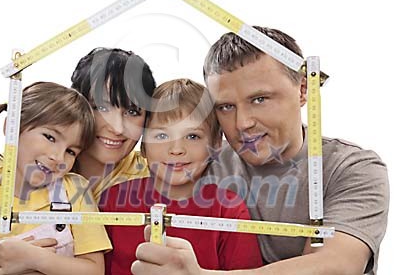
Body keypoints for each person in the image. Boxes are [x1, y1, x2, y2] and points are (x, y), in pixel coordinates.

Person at [131, 28, 389, 275]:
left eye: (259, 99)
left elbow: (336, 266)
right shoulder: (196, 160)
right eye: (226, 107)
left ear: (302, 90)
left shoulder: (351, 168)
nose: (243, 123)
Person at [0, 47, 157, 274]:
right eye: (101, 107)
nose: (117, 127)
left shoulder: (156, 176)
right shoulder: (3, 180)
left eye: (133, 112)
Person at [0, 82, 112, 274]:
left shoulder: (75, 191)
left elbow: (94, 271)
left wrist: (35, 259)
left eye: (71, 151)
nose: (58, 157)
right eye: (50, 137)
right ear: (11, 127)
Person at [100, 78, 263, 274]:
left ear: (216, 145)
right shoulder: (112, 200)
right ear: (142, 146)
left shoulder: (229, 210)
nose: (176, 149)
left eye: (192, 136)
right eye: (161, 136)